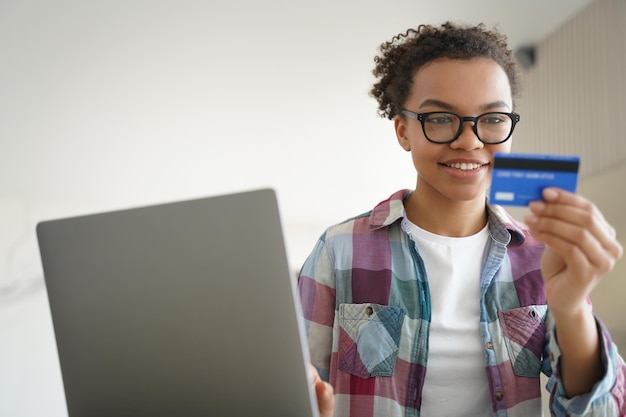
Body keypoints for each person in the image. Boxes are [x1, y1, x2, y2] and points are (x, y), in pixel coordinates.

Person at [299, 22, 625, 417]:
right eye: (439, 118)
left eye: (492, 119)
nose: (469, 141)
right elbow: (298, 386)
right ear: (403, 130)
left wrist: (572, 307)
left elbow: (601, 412)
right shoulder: (339, 250)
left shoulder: (543, 257)